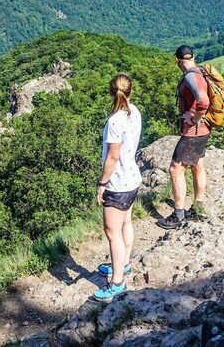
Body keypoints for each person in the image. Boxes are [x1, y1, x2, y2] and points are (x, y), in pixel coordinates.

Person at [93, 74, 142, 301]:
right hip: (132, 178)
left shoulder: (115, 121)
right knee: (126, 223)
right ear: (130, 92)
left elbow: (112, 158)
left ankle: (117, 283)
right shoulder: (135, 112)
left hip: (117, 183)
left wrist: (102, 184)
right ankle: (124, 265)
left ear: (111, 93)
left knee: (112, 233)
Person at [158, 45, 210, 230]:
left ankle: (178, 215)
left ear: (177, 60)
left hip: (193, 131)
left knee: (175, 169)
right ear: (193, 56)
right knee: (197, 166)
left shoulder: (190, 76)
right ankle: (198, 207)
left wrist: (193, 118)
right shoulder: (201, 71)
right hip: (204, 130)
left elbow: (203, 101)